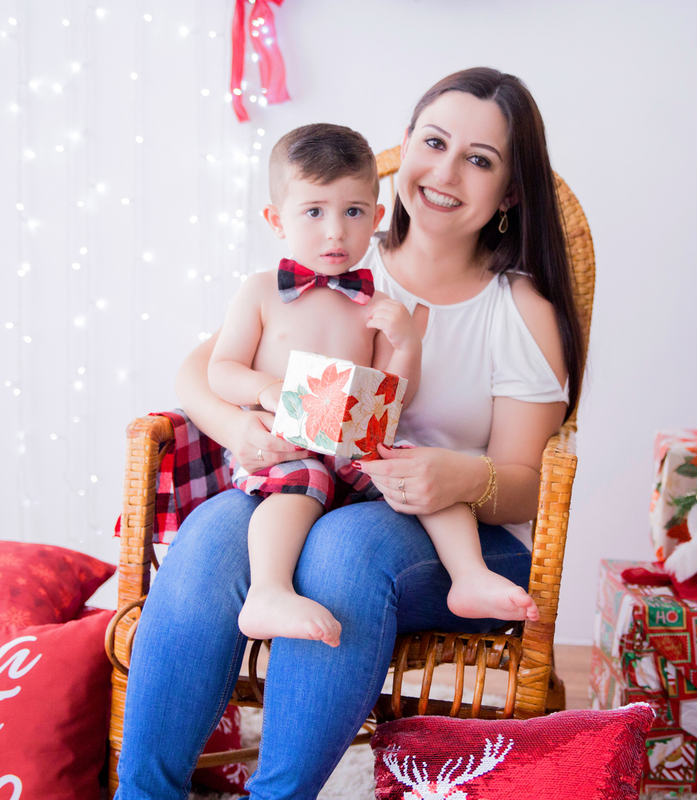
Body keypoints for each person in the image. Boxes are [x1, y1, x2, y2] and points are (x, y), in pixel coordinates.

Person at [117, 67, 585, 799]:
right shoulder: (338, 258)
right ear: (402, 149)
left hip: (455, 532)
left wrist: (454, 476)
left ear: (510, 192)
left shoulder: (518, 311)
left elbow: (527, 484)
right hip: (315, 481)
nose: (446, 170)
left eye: (481, 159)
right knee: (215, 532)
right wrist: (242, 427)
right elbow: (196, 373)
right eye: (434, 142)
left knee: (347, 545)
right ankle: (141, 793)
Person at [208, 122, 538, 649]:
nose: (335, 232)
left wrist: (406, 342)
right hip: (286, 444)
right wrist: (269, 391)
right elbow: (219, 369)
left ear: (377, 217)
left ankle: (469, 576)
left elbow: (394, 397)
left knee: (418, 468)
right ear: (276, 221)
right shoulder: (261, 292)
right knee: (303, 484)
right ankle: (268, 592)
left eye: (353, 212)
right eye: (314, 212)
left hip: (351, 442)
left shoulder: (374, 300)